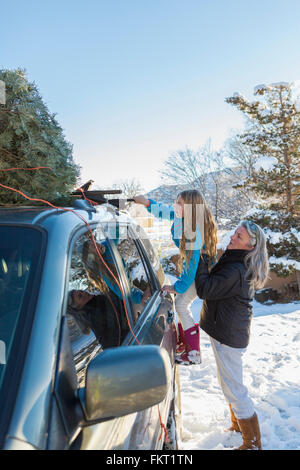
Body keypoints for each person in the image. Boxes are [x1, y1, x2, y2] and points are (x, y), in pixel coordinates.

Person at [195, 220, 269, 450]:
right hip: (226, 332)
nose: (232, 238)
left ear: (249, 247)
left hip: (229, 336)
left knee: (235, 389)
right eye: (235, 233)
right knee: (228, 384)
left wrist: (202, 258)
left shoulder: (237, 269)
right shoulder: (236, 259)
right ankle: (238, 426)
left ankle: (252, 442)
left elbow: (205, 289)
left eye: (239, 237)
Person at [133, 190, 218, 365]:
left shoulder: (192, 228)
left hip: (198, 272)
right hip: (192, 271)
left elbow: (192, 264)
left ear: (191, 208)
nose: (175, 206)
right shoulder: (182, 217)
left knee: (181, 304)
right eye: (176, 201)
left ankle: (193, 352)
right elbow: (165, 211)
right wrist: (147, 203)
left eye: (180, 203)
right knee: (181, 304)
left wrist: (178, 286)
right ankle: (186, 343)